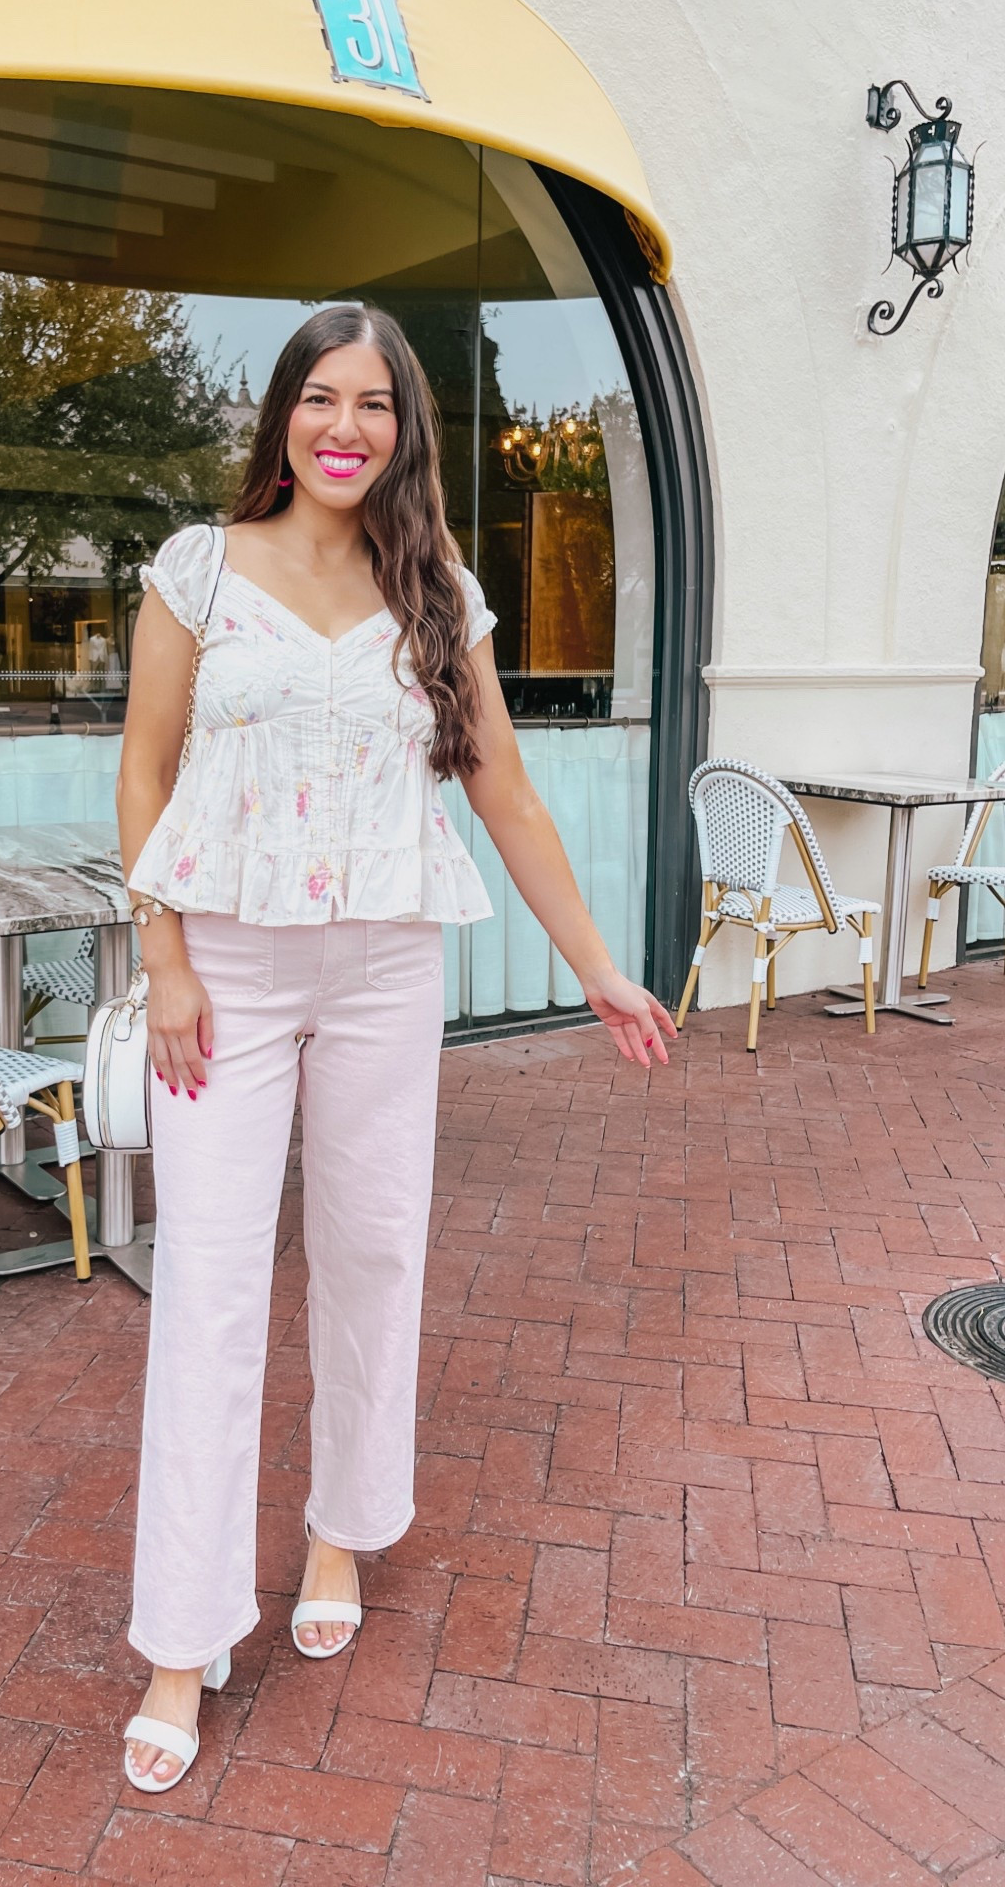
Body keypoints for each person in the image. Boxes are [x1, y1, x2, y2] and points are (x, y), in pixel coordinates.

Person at [115, 304, 675, 1792]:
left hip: (380, 963)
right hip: (222, 966)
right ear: (283, 418)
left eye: (372, 402)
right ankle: (183, 1636)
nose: (343, 425)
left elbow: (508, 798)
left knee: (371, 1253)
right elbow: (145, 771)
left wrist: (603, 971)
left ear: (403, 427)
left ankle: (338, 1534)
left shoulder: (439, 591)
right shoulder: (197, 569)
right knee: (212, 1289)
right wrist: (161, 957)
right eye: (319, 397)